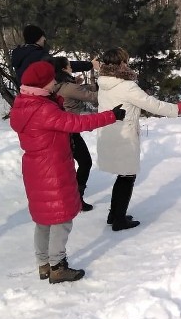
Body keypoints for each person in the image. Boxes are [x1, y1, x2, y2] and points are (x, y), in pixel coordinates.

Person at [10, 61, 123, 283]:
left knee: (43, 220)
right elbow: (76, 123)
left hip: (35, 168)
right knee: (61, 219)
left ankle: (43, 264)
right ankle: (58, 266)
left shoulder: (25, 103)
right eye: (52, 79)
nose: (55, 82)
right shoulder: (43, 109)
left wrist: (55, 97)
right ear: (42, 83)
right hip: (52, 169)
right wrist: (111, 116)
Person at [96, 48, 181, 231]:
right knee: (127, 176)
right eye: (125, 61)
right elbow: (151, 104)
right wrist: (175, 109)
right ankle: (119, 220)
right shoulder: (127, 86)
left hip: (109, 134)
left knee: (122, 175)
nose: (127, 63)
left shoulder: (103, 83)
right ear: (121, 64)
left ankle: (114, 214)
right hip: (124, 138)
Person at [52, 57, 99, 211]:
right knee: (85, 162)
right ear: (65, 68)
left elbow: (79, 90)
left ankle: (66, 198)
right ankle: (76, 199)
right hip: (70, 131)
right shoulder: (68, 87)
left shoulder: (57, 84)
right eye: (69, 65)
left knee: (66, 166)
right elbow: (93, 97)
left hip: (62, 130)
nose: (72, 67)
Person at [10, 24, 98, 86]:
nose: (45, 39)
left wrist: (72, 81)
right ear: (38, 38)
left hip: (25, 96)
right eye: (42, 36)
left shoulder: (20, 54)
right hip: (39, 97)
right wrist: (89, 65)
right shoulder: (38, 55)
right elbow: (61, 64)